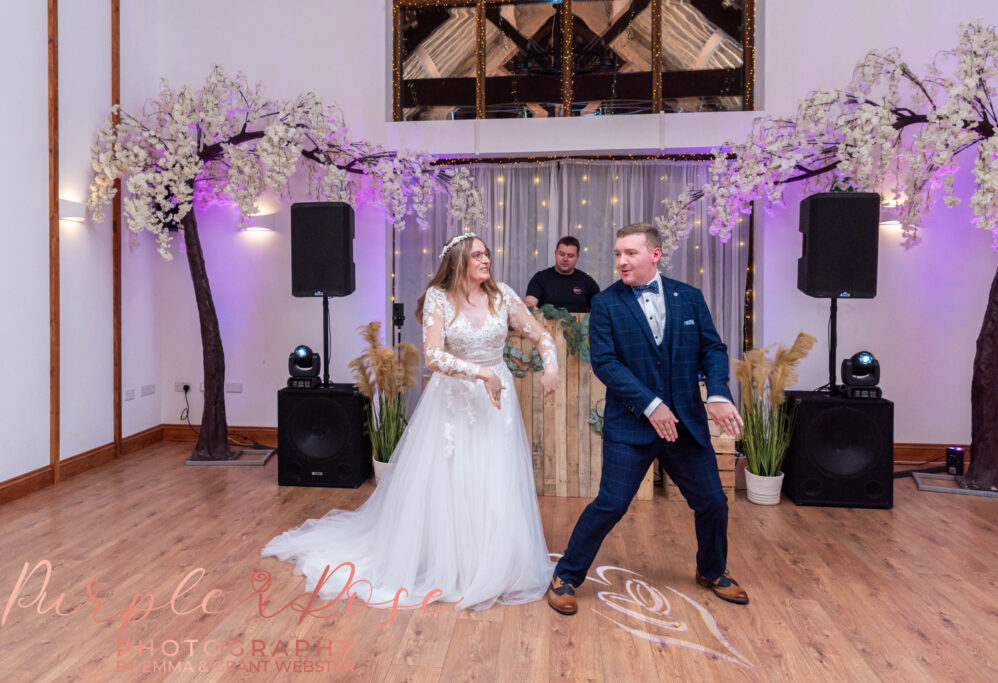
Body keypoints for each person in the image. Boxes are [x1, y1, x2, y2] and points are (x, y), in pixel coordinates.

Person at [263, 233, 560, 611]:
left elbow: (540, 335)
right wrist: (481, 373)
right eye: (479, 256)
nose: (487, 260)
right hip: (452, 400)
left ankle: (494, 562)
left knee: (494, 476)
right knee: (450, 478)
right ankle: (447, 563)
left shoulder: (502, 294)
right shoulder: (439, 298)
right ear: (459, 262)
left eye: (487, 254)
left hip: (495, 403)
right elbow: (434, 357)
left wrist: (550, 364)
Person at [547, 222, 748, 616]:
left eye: (630, 253)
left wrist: (719, 394)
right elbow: (605, 363)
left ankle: (711, 570)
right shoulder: (605, 303)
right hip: (631, 425)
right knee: (610, 504)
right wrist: (651, 404)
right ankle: (566, 576)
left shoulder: (689, 297)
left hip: (685, 426)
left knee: (712, 502)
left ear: (654, 254)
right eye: (617, 254)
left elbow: (713, 348)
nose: (621, 261)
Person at [524, 236, 600, 313]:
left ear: (577, 257)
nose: (565, 259)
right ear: (555, 253)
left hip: (578, 325)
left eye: (570, 256)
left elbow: (599, 307)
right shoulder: (540, 278)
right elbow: (529, 302)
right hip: (543, 325)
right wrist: (530, 307)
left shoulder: (587, 282)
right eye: (561, 254)